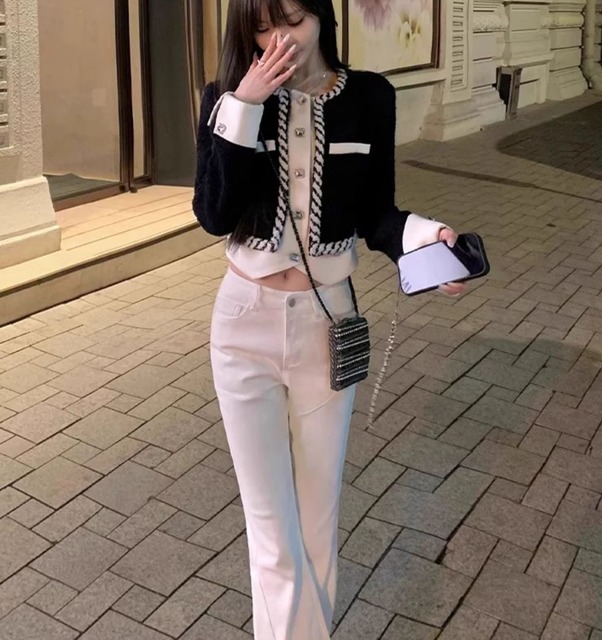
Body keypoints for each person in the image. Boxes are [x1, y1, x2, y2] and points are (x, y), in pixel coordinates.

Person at [193, 1, 463, 638]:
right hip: (244, 324)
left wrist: (425, 241)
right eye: (262, 26)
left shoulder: (369, 97)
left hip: (326, 323)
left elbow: (377, 214)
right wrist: (246, 104)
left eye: (291, 18)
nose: (277, 38)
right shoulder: (225, 96)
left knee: (316, 521)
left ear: (321, 14)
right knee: (272, 530)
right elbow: (213, 214)